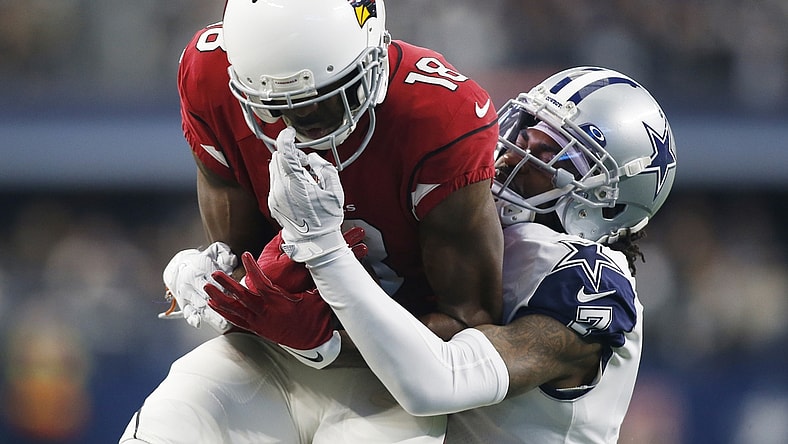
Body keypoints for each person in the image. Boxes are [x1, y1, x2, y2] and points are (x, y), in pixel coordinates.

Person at [210, 66, 678, 443]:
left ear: (608, 200)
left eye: (554, 156)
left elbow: (439, 377)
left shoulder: (589, 282)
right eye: (525, 132)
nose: (513, 156)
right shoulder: (467, 229)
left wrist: (325, 308)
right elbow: (401, 339)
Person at [120, 0, 503, 441]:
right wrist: (222, 287)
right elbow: (248, 259)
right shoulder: (209, 73)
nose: (296, 126)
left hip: (395, 375)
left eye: (321, 102)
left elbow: (469, 324)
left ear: (372, 60)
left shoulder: (439, 115)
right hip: (265, 353)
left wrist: (329, 335)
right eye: (273, 106)